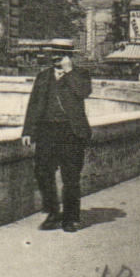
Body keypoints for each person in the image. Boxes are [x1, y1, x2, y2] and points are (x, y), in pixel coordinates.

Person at [21, 53, 92, 232]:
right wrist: (28, 131)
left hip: (71, 133)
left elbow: (83, 92)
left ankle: (70, 218)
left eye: (60, 55)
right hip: (47, 131)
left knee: (70, 176)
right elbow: (34, 104)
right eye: (53, 54)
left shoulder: (80, 74)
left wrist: (69, 72)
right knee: (42, 171)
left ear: (69, 57)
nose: (56, 59)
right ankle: (53, 212)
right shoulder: (43, 76)